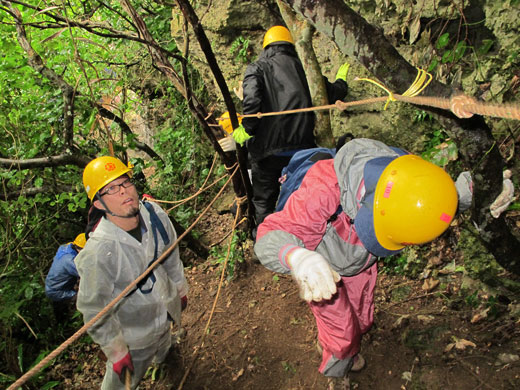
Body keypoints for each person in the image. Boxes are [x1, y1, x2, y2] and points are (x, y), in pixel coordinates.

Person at [254, 138, 472, 389]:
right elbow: (269, 236)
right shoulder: (323, 187)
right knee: (342, 330)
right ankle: (337, 370)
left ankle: (344, 346)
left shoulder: (407, 172)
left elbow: (430, 200)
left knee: (362, 314)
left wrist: (462, 196)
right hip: (322, 267)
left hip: (360, 261)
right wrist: (299, 257)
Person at [219, 25, 350, 227]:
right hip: (302, 150)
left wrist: (247, 129)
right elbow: (330, 93)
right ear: (291, 45)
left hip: (266, 152)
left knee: (264, 202)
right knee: (301, 200)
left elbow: (251, 102)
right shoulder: (304, 69)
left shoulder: (257, 68)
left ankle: (264, 243)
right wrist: (341, 81)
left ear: (266, 47)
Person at [75, 156, 188, 390]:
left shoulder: (153, 214)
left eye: (126, 183)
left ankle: (165, 357)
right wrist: (117, 352)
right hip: (133, 339)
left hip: (164, 309)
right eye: (111, 189)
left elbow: (171, 254)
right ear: (98, 204)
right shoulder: (98, 253)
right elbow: (94, 309)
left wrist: (180, 288)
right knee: (121, 385)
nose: (124, 192)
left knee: (165, 342)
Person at [45, 233, 86, 321]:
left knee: (59, 310)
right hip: (57, 291)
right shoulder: (70, 262)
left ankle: (61, 321)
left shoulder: (66, 247)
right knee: (82, 297)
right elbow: (86, 274)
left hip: (53, 285)